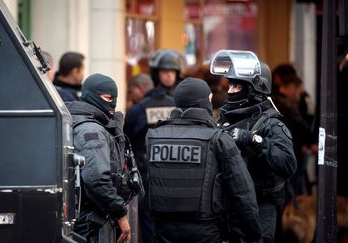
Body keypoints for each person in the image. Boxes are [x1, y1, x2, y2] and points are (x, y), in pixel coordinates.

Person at [146, 77, 262, 243]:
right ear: (207, 101)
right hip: (207, 232)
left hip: (163, 232)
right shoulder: (219, 139)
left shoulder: (154, 136)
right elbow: (243, 193)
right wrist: (255, 235)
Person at [216, 57, 297, 242]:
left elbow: (288, 163)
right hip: (231, 205)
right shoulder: (226, 118)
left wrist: (253, 140)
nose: (230, 92)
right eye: (230, 86)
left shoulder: (271, 122)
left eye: (236, 87)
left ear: (253, 89)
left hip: (262, 205)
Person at [68, 74, 135, 243]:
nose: (112, 103)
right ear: (91, 95)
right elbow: (96, 179)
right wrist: (120, 213)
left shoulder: (80, 121)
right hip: (92, 222)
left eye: (115, 98)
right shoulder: (91, 130)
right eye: (107, 97)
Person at [123, 51, 179, 243]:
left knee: (153, 222)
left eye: (173, 71)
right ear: (157, 74)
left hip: (161, 172)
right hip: (155, 171)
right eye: (165, 71)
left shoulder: (141, 108)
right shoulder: (179, 106)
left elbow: (125, 139)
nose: (169, 75)